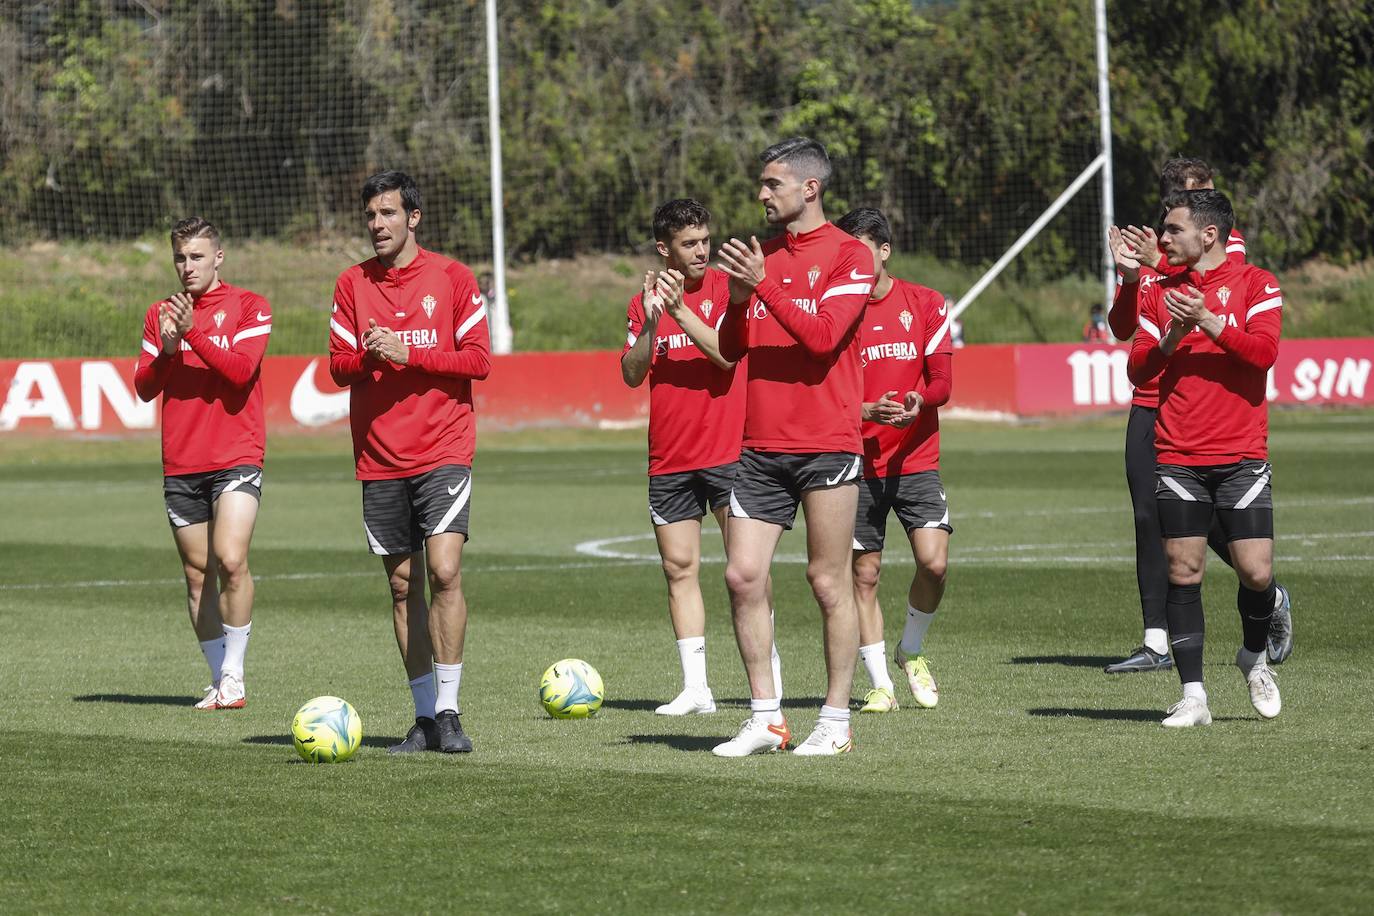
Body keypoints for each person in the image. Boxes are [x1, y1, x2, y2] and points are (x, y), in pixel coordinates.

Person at [711, 137, 875, 757]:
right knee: (741, 573)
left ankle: (834, 721)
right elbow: (732, 349)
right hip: (759, 445)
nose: (761, 194)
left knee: (828, 582)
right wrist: (734, 300)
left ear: (810, 188)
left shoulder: (849, 255)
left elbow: (824, 338)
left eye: (772, 183)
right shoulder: (763, 255)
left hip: (827, 443)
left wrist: (765, 287)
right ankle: (766, 718)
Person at [1106, 156, 1292, 674]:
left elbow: (1208, 284)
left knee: (1207, 522)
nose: (1210, 194)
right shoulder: (1160, 241)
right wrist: (1128, 276)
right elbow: (1125, 328)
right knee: (1150, 518)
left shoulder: (1211, 240)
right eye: (1200, 189)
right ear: (1175, 195)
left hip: (1209, 410)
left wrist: (1153, 265)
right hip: (1154, 402)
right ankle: (1157, 642)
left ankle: (1267, 593)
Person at [327, 170, 491, 753]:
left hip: (443, 448)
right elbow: (335, 367)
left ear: (413, 218)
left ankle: (449, 712)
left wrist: (409, 354)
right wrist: (369, 357)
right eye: (371, 215)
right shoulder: (352, 283)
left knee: (445, 571)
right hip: (379, 456)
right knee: (402, 588)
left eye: (388, 213)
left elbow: (478, 361)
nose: (377, 224)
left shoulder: (452, 278)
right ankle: (423, 718)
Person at [620, 198, 782, 715]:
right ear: (663, 248)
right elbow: (630, 373)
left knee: (746, 571)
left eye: (704, 241)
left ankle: (769, 679)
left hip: (729, 453)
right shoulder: (642, 301)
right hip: (669, 456)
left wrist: (679, 312)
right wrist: (649, 323)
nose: (700, 251)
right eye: (688, 244)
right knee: (678, 568)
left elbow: (727, 355)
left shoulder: (726, 289)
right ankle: (697, 689)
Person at [134, 217, 271, 710]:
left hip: (236, 454)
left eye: (196, 256)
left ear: (218, 257)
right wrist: (168, 350)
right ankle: (218, 681)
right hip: (182, 460)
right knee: (198, 575)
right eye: (179, 257)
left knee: (231, 558)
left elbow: (240, 373)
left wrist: (192, 335)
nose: (186, 266)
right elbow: (145, 386)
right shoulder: (159, 314)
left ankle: (233, 675)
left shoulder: (250, 307)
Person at [832, 208, 954, 716]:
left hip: (916, 459)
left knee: (934, 562)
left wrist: (918, 404)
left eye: (861, 252)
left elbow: (943, 382)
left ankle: (911, 650)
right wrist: (863, 410)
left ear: (884, 251)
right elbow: (826, 390)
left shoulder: (924, 303)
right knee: (863, 576)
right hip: (855, 463)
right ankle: (880, 682)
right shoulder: (837, 314)